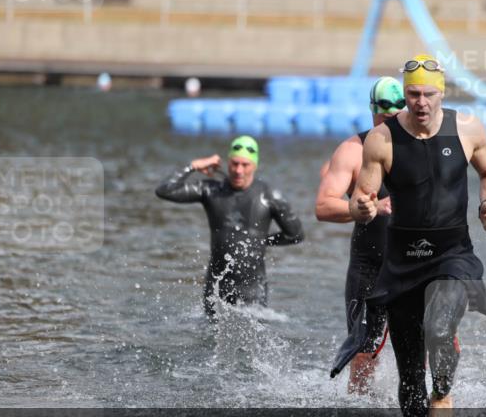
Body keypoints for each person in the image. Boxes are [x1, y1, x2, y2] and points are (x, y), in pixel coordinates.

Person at [350, 55, 486, 417]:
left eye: (428, 94)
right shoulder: (382, 139)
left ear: (442, 94)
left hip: (452, 255)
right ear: (405, 94)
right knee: (409, 378)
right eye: (413, 94)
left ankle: (443, 393)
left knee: (439, 328)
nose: (421, 102)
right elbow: (360, 197)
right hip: (402, 262)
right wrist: (363, 207)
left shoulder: (467, 128)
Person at [316, 77, 404, 394]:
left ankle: (426, 410)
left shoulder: (423, 148)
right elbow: (323, 206)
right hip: (369, 265)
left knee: (425, 345)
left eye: (399, 108)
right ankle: (359, 414)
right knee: (364, 351)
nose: (391, 115)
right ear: (372, 109)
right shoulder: (352, 151)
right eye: (384, 110)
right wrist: (364, 209)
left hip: (415, 263)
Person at [156, 136, 304, 320]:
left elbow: (296, 235)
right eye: (234, 164)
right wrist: (193, 166)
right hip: (216, 287)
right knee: (209, 333)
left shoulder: (269, 196)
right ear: (228, 163)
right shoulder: (211, 190)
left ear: (255, 165)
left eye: (245, 165)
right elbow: (165, 190)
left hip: (252, 291)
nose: (239, 170)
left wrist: (262, 241)